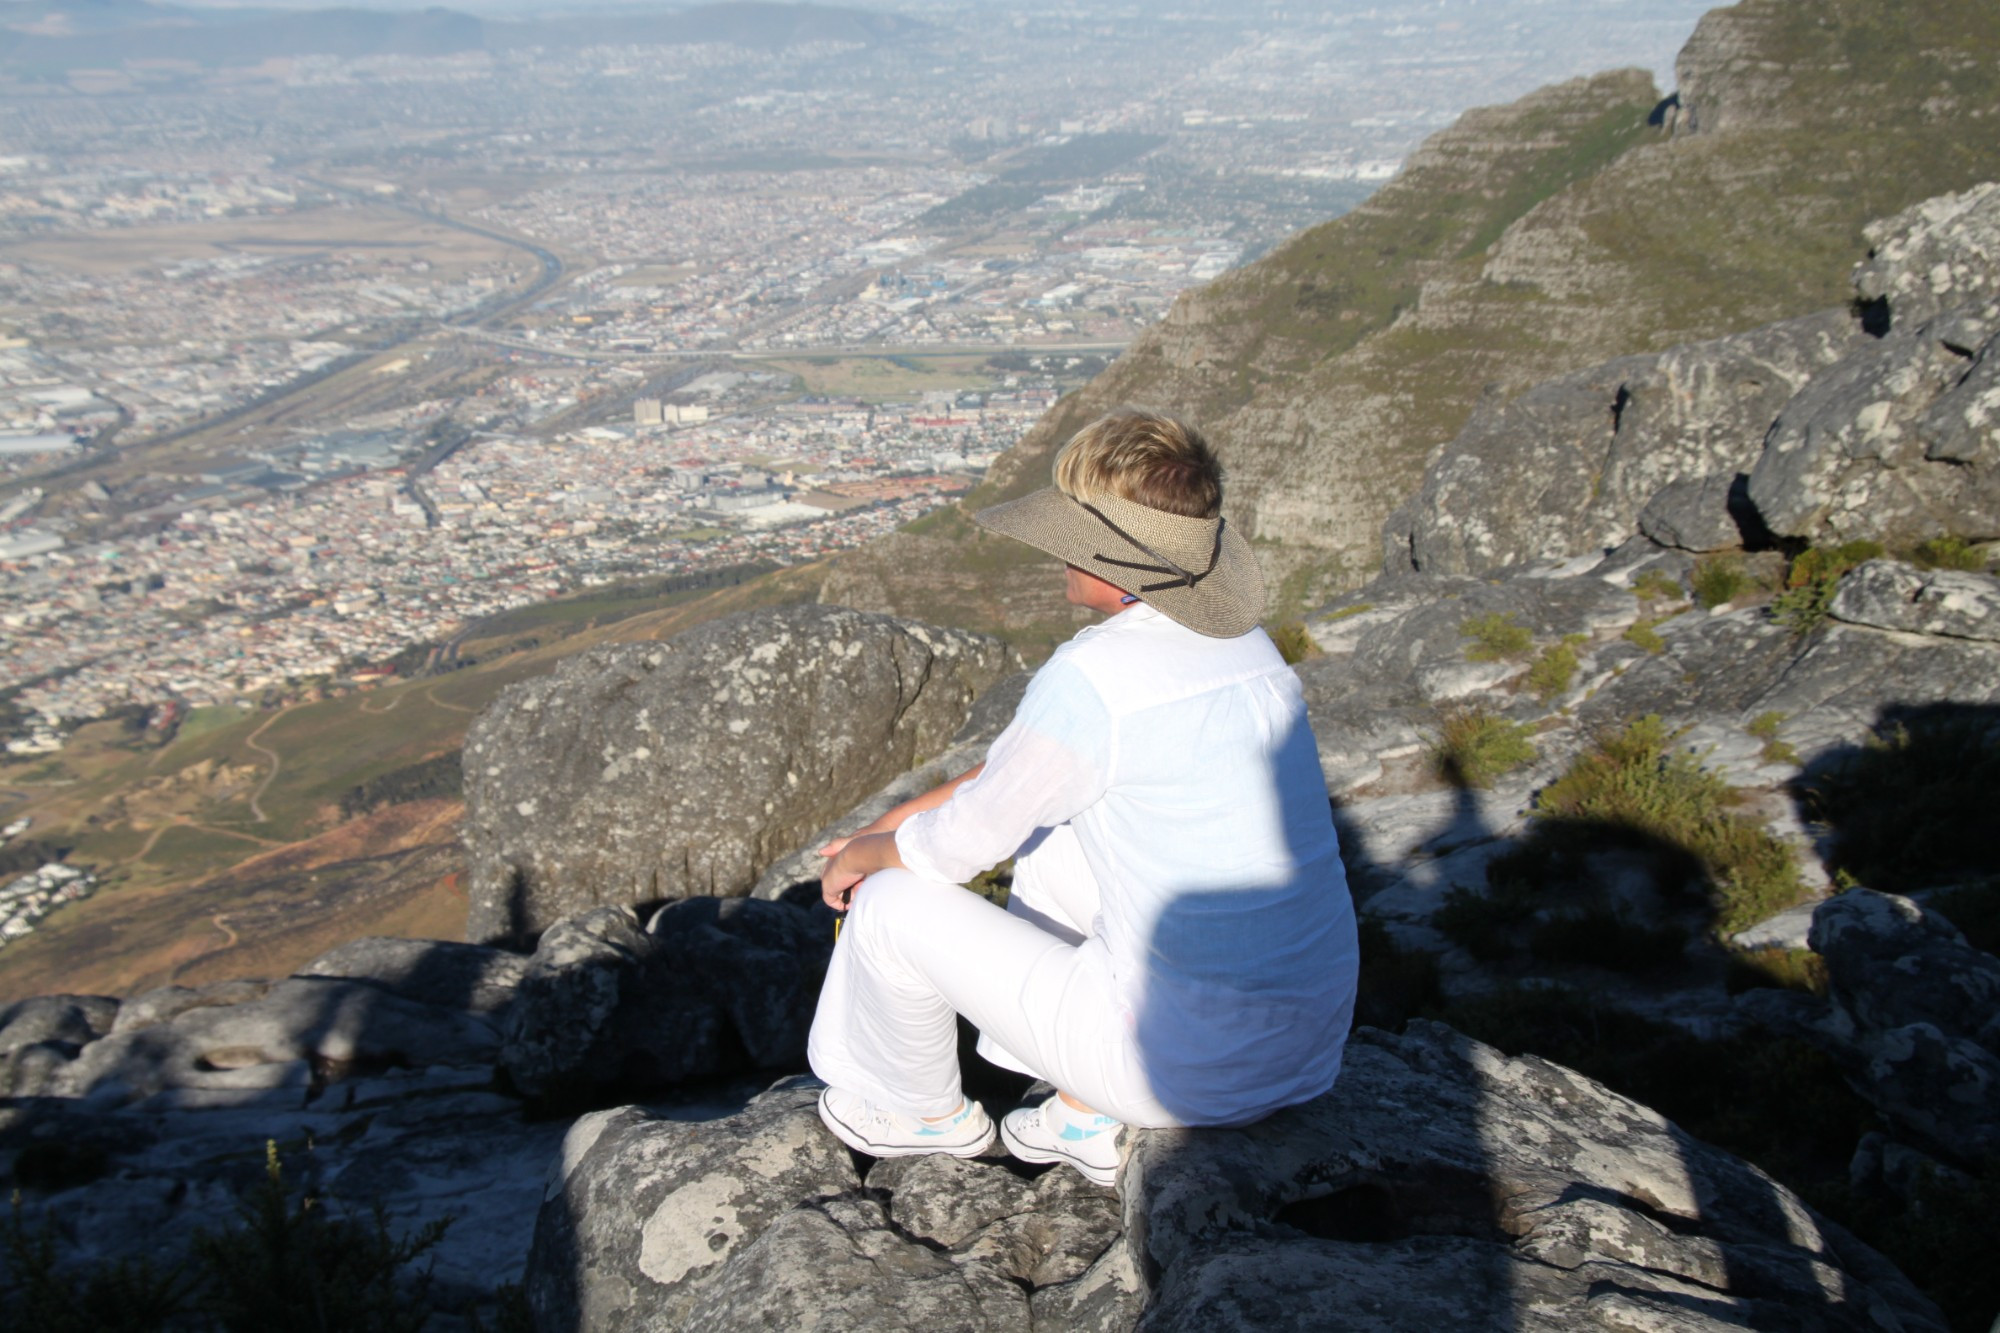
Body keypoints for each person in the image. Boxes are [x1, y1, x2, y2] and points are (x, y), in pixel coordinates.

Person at [807, 408, 1359, 1187]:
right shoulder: (1245, 648)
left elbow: (957, 847)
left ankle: (916, 1111)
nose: (1053, 548)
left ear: (1114, 556)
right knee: (1059, 832)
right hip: (1303, 1051)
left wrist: (871, 855)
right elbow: (1015, 780)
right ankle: (1080, 1107)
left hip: (1174, 1069)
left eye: (1070, 531)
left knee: (890, 902)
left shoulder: (1093, 676)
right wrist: (883, 823)